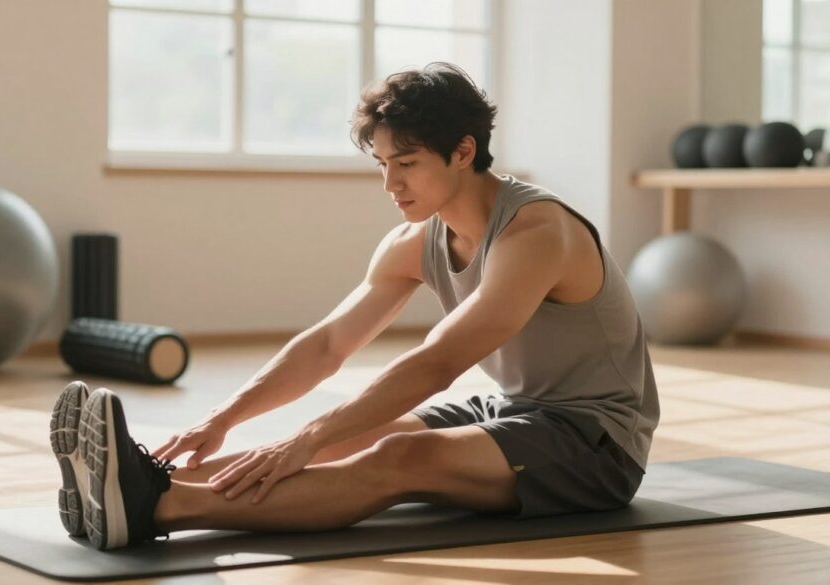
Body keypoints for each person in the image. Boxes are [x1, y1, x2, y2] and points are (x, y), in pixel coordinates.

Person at [49, 62, 660, 551]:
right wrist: (222, 419)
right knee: (350, 435)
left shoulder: (536, 234)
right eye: (383, 165)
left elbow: (438, 360)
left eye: (408, 164)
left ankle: (158, 509)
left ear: (465, 151)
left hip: (597, 441)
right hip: (513, 407)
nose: (390, 185)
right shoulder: (413, 240)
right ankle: (152, 481)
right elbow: (328, 345)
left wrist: (307, 441)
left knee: (398, 455)